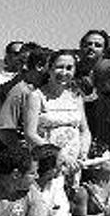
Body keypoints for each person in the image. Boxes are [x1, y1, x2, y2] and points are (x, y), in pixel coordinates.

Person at [23, 50, 91, 186]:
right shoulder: (36, 96)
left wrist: (83, 152)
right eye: (60, 67)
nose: (64, 72)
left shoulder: (76, 97)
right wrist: (59, 154)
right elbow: (30, 134)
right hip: (48, 163)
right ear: (50, 68)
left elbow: (84, 130)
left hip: (74, 164)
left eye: (69, 68)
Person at [0, 46, 51, 149]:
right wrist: (20, 150)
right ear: (39, 66)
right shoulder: (20, 91)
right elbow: (3, 129)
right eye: (52, 66)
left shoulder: (47, 91)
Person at [76, 30, 108, 98]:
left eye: (97, 45)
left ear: (104, 51)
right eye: (88, 44)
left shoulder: (109, 74)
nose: (91, 47)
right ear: (81, 46)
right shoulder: (70, 71)